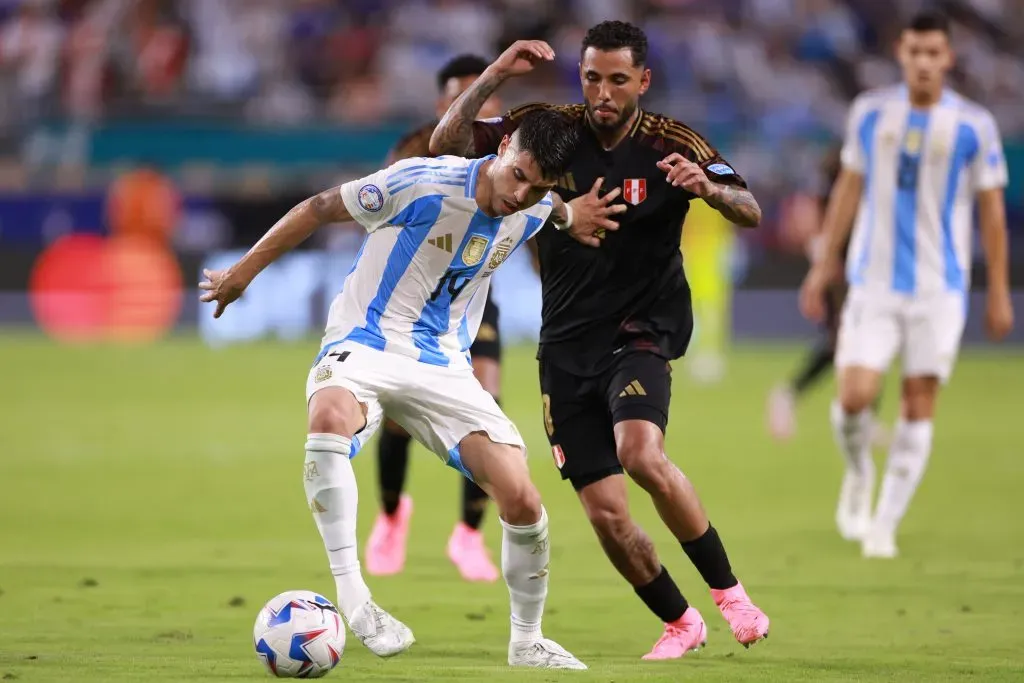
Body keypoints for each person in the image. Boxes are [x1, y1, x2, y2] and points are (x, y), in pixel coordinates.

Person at [200, 108, 623, 668]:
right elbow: (318, 208)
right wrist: (242, 273)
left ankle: (528, 641)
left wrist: (573, 213)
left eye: (538, 186)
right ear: (500, 151)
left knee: (522, 498)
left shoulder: (537, 206)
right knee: (327, 418)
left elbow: (556, 209)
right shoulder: (422, 181)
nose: (522, 194)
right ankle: (355, 599)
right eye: (518, 174)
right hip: (366, 341)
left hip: (444, 366)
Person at [430, 21, 770, 660]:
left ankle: (731, 595)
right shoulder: (547, 131)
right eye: (592, 78)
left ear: (642, 79)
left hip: (642, 328)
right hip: (564, 343)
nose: (604, 93)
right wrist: (496, 76)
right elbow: (446, 143)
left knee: (640, 452)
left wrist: (711, 190)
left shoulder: (674, 142)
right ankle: (680, 622)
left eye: (618, 79)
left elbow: (749, 206)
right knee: (607, 514)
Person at [800, 10, 1013, 558]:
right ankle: (857, 474)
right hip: (872, 283)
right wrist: (823, 266)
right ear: (901, 53)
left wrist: (998, 291)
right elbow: (849, 189)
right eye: (914, 52)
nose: (923, 62)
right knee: (854, 397)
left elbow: (992, 213)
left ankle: (883, 525)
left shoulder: (974, 125)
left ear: (948, 58)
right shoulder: (872, 113)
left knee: (919, 401)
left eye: (932, 53)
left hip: (939, 288)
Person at [366, 54, 505, 583]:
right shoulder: (411, 148)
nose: (475, 106)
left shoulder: (509, 151)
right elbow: (374, 215)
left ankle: (468, 536)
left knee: (486, 405)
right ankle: (391, 516)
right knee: (400, 414)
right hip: (411, 301)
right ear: (443, 103)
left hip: (469, 298)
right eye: (464, 95)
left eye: (486, 95)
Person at [767, 147, 888, 443]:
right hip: (840, 272)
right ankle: (790, 394)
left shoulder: (863, 173)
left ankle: (863, 416)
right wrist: (822, 257)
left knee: (866, 340)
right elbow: (809, 214)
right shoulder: (837, 173)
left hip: (862, 271)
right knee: (844, 341)